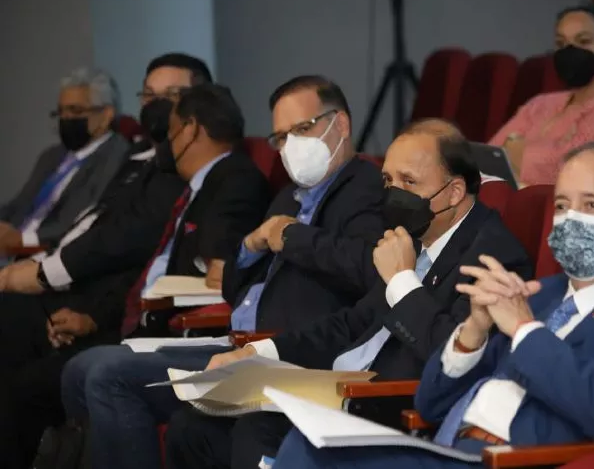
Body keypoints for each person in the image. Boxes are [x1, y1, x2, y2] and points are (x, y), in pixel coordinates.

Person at [272, 141, 594, 469]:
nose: (571, 219)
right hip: (452, 448)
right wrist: (470, 336)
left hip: (519, 461)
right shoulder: (543, 292)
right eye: (562, 206)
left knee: (311, 458)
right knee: (304, 444)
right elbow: (430, 404)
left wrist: (525, 330)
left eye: (592, 205)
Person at [161, 119, 533, 469]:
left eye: (409, 181)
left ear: (454, 192)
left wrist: (402, 280)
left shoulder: (493, 256)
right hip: (337, 388)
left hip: (391, 408)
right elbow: (352, 323)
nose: (395, 194)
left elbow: (452, 355)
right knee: (192, 429)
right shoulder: (419, 235)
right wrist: (257, 353)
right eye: (388, 180)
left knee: (256, 430)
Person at [60, 75, 385, 469]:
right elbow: (233, 286)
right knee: (80, 369)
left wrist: (289, 236)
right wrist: (249, 248)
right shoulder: (288, 196)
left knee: (109, 376)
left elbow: (363, 265)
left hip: (286, 355)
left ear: (341, 124)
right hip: (236, 345)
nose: (290, 146)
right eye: (281, 137)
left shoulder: (365, 187)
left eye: (302, 129)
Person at [0, 52, 212, 295]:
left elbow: (123, 237)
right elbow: (96, 217)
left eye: (171, 94)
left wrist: (43, 269)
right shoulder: (136, 155)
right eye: (149, 95)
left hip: (91, 284)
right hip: (57, 266)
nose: (157, 104)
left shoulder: (168, 164)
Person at [488, 5, 594, 187]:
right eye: (561, 43)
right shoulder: (541, 103)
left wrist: (516, 151)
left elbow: (573, 170)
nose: (570, 51)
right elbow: (488, 157)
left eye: (583, 41)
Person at [0, 67, 129, 254]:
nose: (66, 118)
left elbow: (81, 222)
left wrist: (22, 240)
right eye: (61, 111)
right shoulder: (52, 156)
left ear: (106, 115)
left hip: (47, 254)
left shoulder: (117, 157)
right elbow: (18, 205)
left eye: (75, 110)